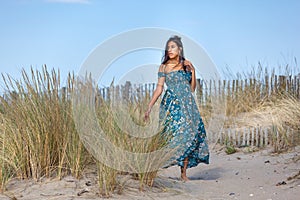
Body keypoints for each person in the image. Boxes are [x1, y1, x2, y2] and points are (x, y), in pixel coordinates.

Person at [144, 35, 209, 181]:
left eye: (172, 47)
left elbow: (192, 89)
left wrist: (193, 71)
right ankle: (151, 166)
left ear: (180, 49)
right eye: (168, 48)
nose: (170, 50)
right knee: (171, 135)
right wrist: (149, 107)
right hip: (171, 105)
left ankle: (183, 174)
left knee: (188, 134)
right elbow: (159, 88)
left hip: (188, 104)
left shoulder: (185, 65)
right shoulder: (164, 67)